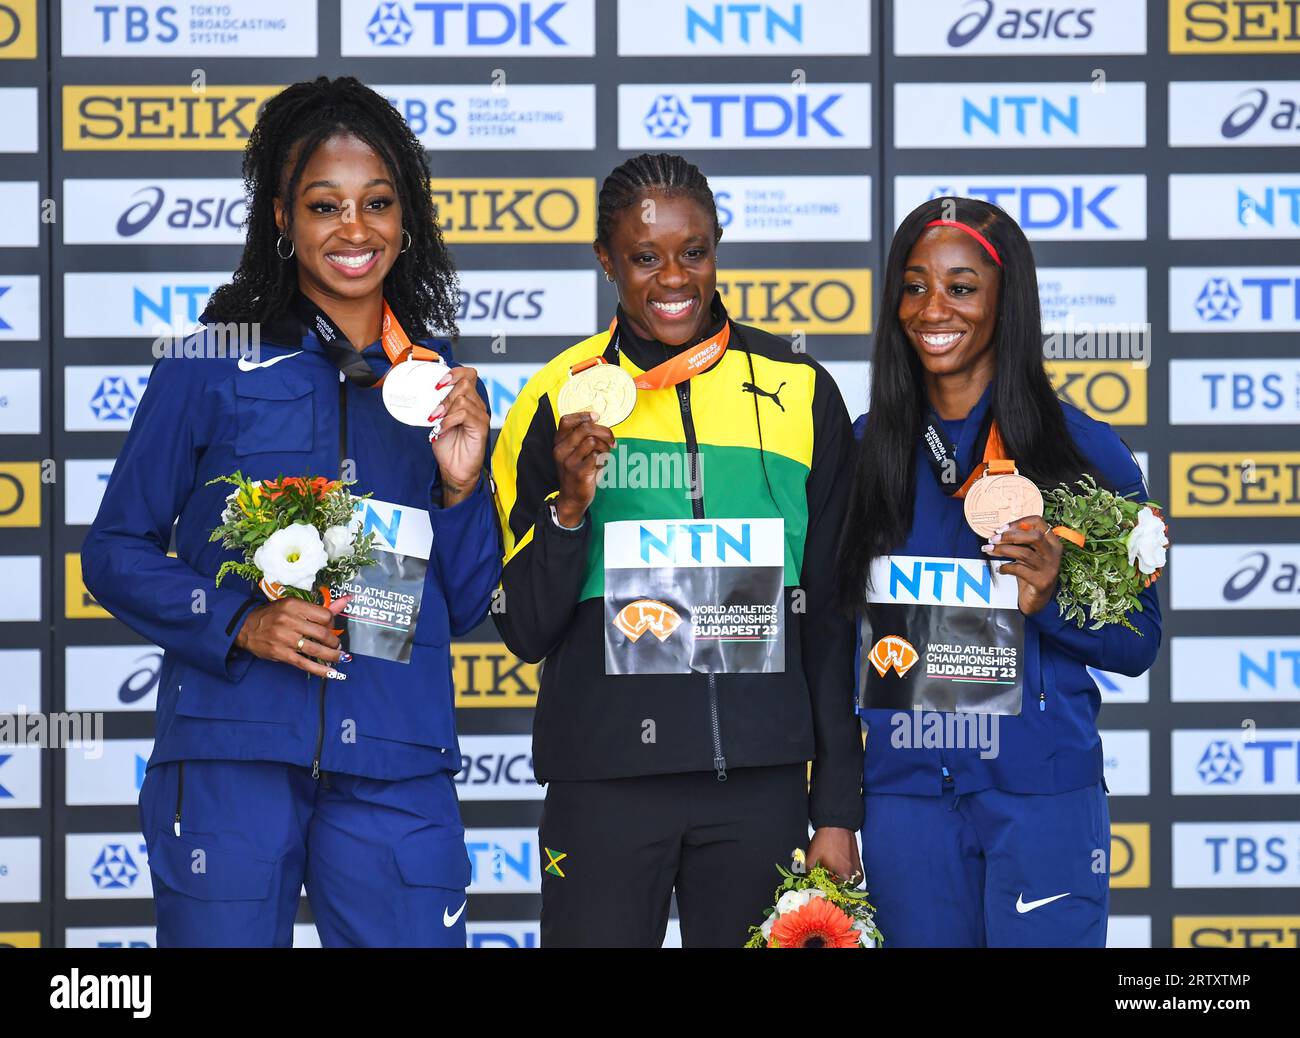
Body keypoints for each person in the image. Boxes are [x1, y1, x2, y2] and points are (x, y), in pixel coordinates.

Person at [82, 77, 499, 948]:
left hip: (394, 759)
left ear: (406, 216)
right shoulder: (208, 363)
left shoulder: (436, 378)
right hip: (232, 753)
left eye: (377, 203)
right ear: (281, 216)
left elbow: (462, 607)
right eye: (324, 205)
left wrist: (462, 488)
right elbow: (114, 550)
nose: (355, 228)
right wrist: (240, 622)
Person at [490, 153, 864, 948]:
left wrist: (835, 809)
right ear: (605, 260)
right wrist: (571, 507)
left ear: (718, 248)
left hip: (759, 787)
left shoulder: (801, 389)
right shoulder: (556, 396)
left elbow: (830, 617)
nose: (674, 279)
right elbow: (522, 627)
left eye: (693, 252)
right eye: (644, 256)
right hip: (604, 784)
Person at [836, 197, 1162, 947]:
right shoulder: (862, 454)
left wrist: (1049, 602)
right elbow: (827, 634)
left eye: (961, 285)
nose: (932, 308)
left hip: (1041, 799)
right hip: (904, 803)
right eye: (913, 286)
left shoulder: (1081, 453)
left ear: (1005, 298)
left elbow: (1139, 644)